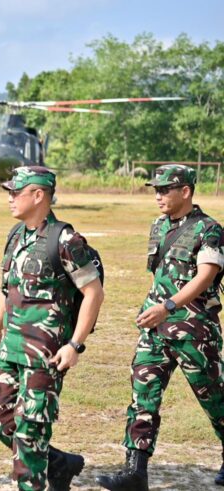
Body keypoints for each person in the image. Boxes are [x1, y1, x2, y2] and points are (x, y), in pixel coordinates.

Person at [96, 164, 224, 490]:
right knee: (143, 397)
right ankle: (135, 472)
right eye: (156, 189)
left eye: (165, 189)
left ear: (186, 191)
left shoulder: (209, 229)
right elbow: (159, 274)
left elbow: (205, 275)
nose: (158, 195)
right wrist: (155, 307)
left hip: (194, 330)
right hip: (155, 330)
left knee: (215, 399)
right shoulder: (158, 226)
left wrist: (168, 307)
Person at [0, 166, 104, 491]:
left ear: (38, 196)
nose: (9, 198)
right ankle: (61, 464)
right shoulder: (16, 235)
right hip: (11, 347)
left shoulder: (65, 239)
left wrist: (75, 345)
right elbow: (7, 289)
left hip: (45, 356)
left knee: (30, 433)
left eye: (15, 192)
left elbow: (93, 293)